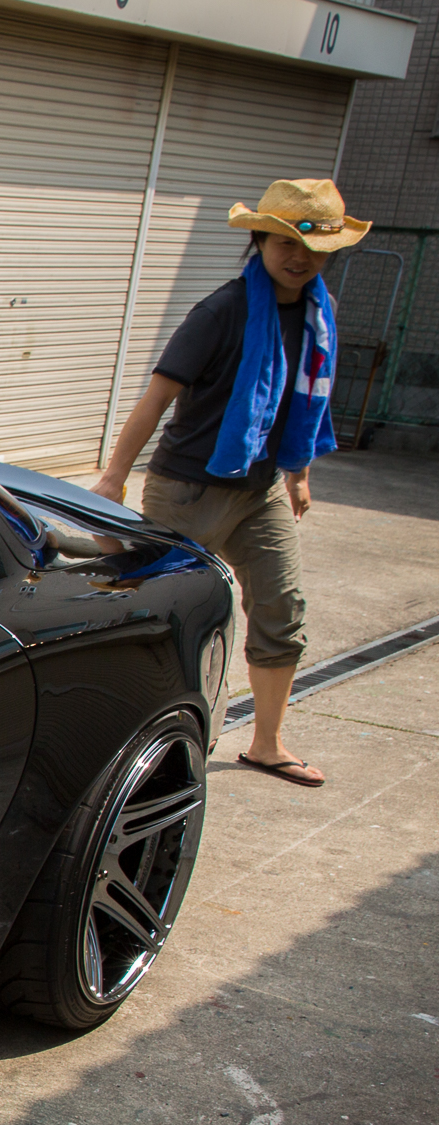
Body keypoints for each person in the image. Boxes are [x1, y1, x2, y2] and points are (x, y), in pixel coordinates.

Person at [90, 178, 371, 788]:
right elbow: (158, 394)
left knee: (281, 608)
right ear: (261, 240)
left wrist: (297, 474)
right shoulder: (224, 311)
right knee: (154, 613)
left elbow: (297, 407)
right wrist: (114, 476)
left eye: (316, 248)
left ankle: (266, 743)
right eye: (286, 243)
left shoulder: (318, 314)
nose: (300, 258)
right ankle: (114, 741)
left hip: (262, 489)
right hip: (189, 488)